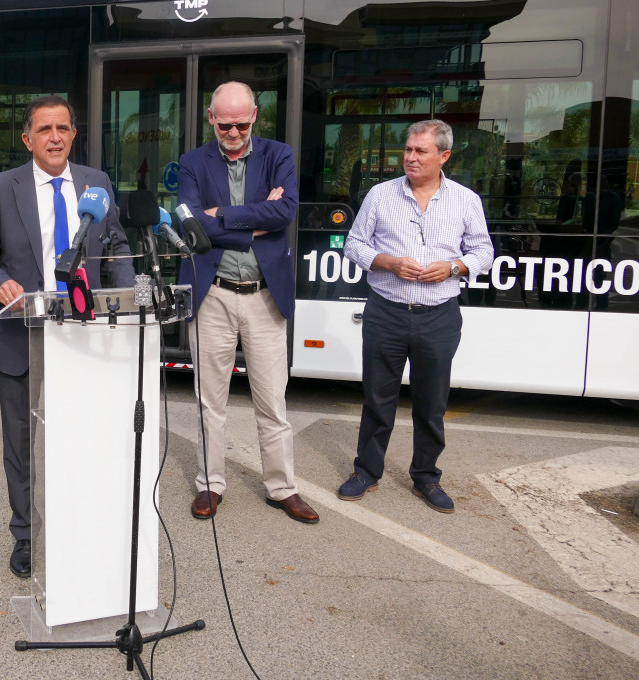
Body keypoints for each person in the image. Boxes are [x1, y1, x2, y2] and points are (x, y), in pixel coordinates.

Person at [0, 95, 134, 578]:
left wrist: (122, 296)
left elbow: (117, 244)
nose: (55, 137)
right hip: (22, 337)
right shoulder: (2, 187)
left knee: (85, 439)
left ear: (74, 134)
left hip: (86, 333)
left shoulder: (96, 184)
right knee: (22, 445)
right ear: (28, 139)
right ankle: (26, 535)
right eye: (45, 130)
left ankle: (79, 528)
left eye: (63, 128)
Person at [177, 81, 319, 525]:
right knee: (208, 402)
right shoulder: (191, 162)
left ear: (255, 115)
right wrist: (254, 219)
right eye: (225, 124)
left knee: (272, 403)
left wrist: (223, 215)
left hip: (263, 297)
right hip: (213, 294)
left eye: (241, 123)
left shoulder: (279, 155)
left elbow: (285, 212)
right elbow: (192, 227)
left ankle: (282, 488)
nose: (234, 132)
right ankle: (209, 484)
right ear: (210, 118)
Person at [338, 119, 493, 513]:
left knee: (431, 403)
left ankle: (426, 477)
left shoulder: (465, 200)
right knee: (377, 398)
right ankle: (366, 472)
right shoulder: (380, 195)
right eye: (407, 149)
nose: (409, 157)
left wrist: (454, 267)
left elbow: (484, 252)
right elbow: (353, 244)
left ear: (444, 156)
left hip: (439, 315)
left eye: (420, 151)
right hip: (385, 312)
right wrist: (386, 261)